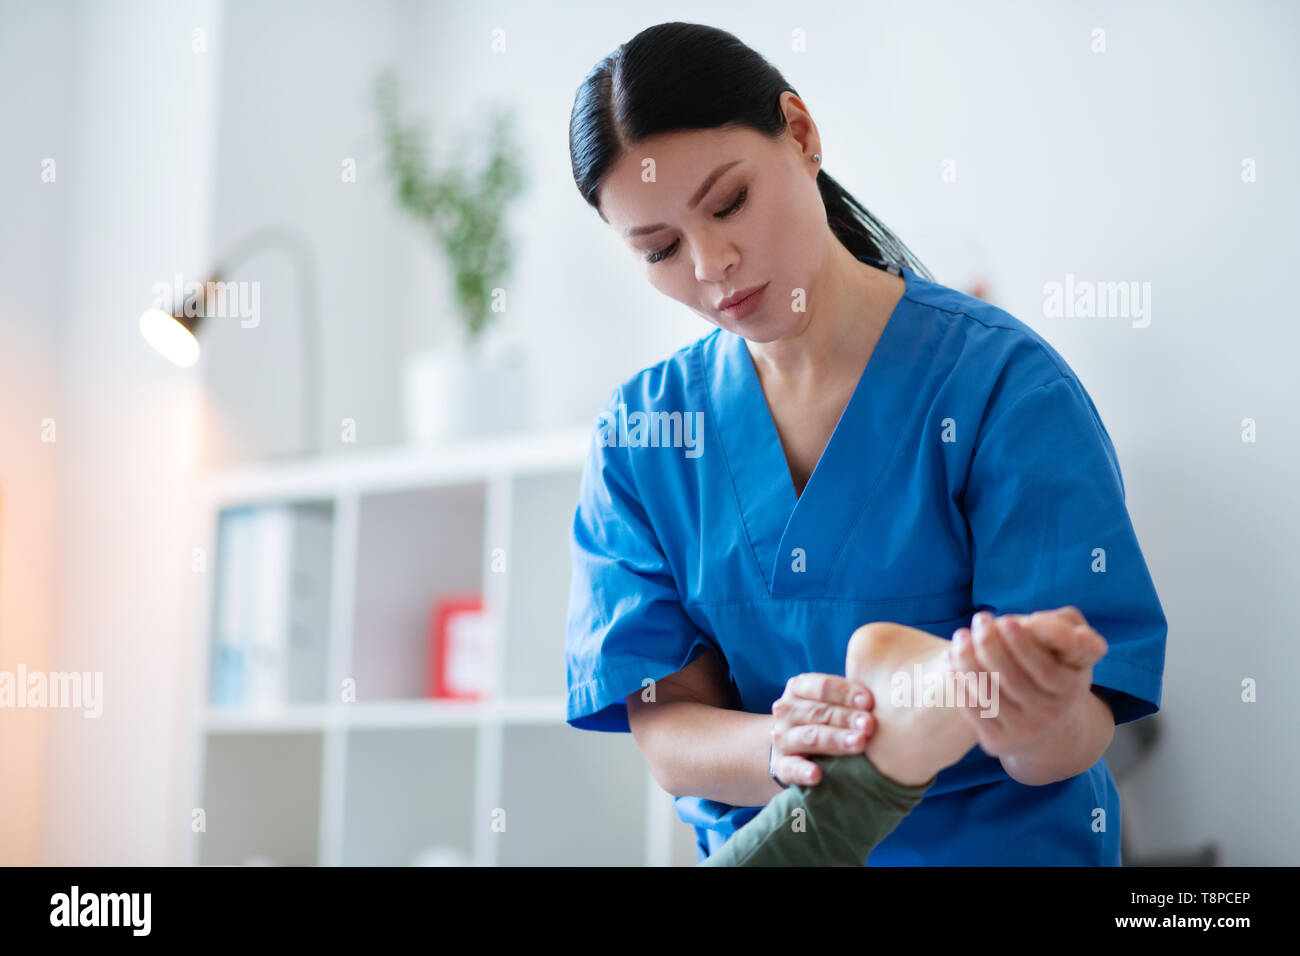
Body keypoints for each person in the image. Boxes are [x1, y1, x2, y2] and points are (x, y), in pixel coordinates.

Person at [564, 22, 1167, 865]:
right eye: (660, 249)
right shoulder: (644, 438)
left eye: (729, 202)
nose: (712, 264)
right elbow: (666, 730)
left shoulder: (1002, 387)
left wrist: (1032, 714)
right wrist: (783, 746)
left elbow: (1075, 735)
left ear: (802, 135)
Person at [698, 612, 1109, 866]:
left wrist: (1040, 709)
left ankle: (878, 764)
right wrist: (785, 747)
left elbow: (1090, 716)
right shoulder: (648, 471)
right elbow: (665, 715)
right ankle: (881, 758)